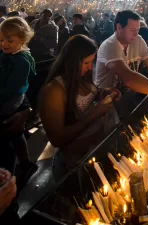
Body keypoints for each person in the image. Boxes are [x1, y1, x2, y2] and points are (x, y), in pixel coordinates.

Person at [39, 35, 121, 179]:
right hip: (76, 163)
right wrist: (95, 113)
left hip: (97, 152)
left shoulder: (83, 77)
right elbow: (57, 139)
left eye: (92, 62)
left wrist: (104, 92)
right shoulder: (54, 91)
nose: (90, 68)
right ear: (71, 61)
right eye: (86, 62)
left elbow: (90, 96)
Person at [0, 17, 38, 186]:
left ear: (22, 40)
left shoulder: (21, 60)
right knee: (16, 136)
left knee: (11, 134)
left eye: (9, 40)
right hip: (10, 96)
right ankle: (25, 163)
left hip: (11, 100)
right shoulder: (8, 54)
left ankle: (22, 167)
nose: (4, 44)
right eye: (1, 40)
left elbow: (13, 88)